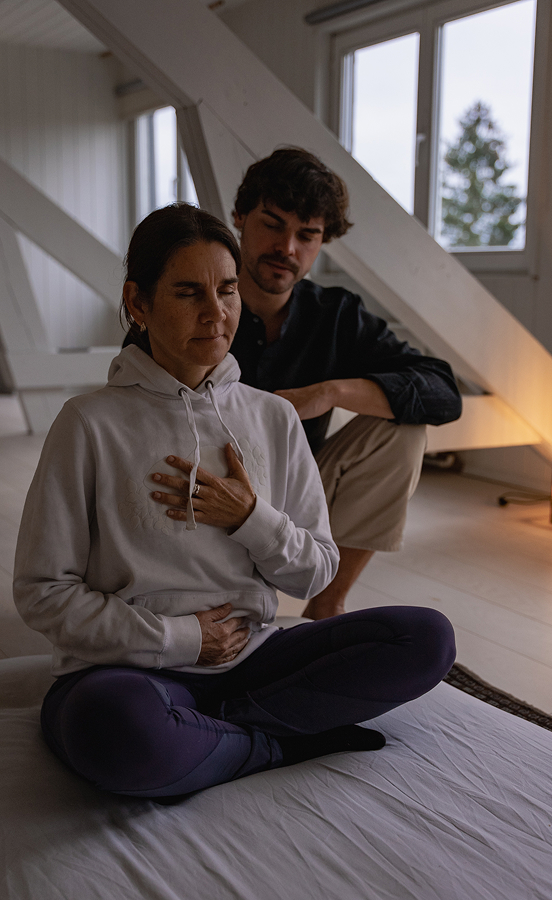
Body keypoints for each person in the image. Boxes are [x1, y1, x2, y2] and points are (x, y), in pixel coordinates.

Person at [14, 204, 456, 801]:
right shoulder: (89, 423)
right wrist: (183, 640)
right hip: (133, 670)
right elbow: (44, 593)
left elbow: (317, 571)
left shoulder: (271, 416)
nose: (216, 313)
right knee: (115, 728)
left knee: (426, 638)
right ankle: (274, 740)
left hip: (254, 657)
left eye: (226, 290)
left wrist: (251, 519)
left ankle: (214, 738)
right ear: (138, 303)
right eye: (188, 293)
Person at [229, 148, 463, 621]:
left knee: (403, 427)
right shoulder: (202, 299)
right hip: (206, 490)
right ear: (239, 217)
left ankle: (328, 602)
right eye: (272, 224)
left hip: (299, 491)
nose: (287, 248)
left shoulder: (335, 314)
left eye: (307, 235)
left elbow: (442, 391)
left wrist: (329, 393)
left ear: (322, 241)